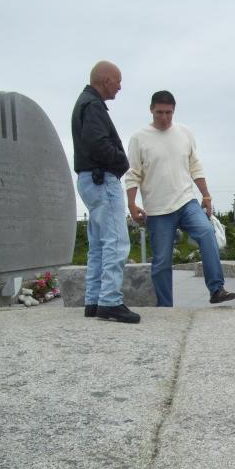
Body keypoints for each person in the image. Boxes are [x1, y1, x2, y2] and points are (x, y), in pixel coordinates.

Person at [125, 90, 235, 307]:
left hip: (186, 201)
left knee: (206, 233)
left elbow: (195, 165)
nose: (165, 118)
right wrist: (131, 203)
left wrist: (206, 195)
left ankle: (217, 289)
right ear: (151, 110)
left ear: (174, 111)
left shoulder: (185, 132)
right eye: (160, 113)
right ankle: (165, 307)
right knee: (162, 261)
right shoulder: (139, 138)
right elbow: (133, 174)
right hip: (158, 210)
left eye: (169, 113)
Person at [71, 60, 140, 324]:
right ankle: (110, 301)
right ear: (105, 80)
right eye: (118, 81)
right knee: (116, 242)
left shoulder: (84, 103)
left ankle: (94, 300)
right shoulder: (94, 106)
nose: (120, 87)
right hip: (102, 179)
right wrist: (121, 162)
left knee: (98, 244)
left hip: (88, 179)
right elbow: (98, 143)